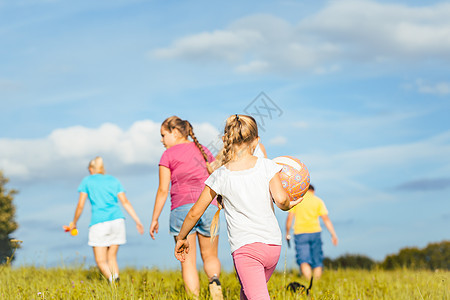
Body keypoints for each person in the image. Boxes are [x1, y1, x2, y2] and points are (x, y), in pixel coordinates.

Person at [174, 114, 303, 300]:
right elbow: (281, 200)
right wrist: (290, 204)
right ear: (256, 141)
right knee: (247, 292)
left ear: (226, 139)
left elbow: (195, 212)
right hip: (273, 245)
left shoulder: (220, 176)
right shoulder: (268, 166)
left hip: (247, 249)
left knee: (256, 295)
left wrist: (181, 237)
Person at [149, 116, 223, 299]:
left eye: (163, 135)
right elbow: (217, 177)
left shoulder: (167, 155)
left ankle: (195, 297)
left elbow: (162, 190)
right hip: (208, 207)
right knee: (211, 257)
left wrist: (154, 218)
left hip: (181, 210)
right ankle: (214, 282)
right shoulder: (203, 149)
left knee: (188, 263)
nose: (161, 140)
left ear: (174, 132)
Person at [69, 156, 144, 283]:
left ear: (91, 169)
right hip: (117, 221)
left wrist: (74, 222)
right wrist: (137, 221)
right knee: (112, 257)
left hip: (99, 223)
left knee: (100, 260)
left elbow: (80, 205)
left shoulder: (87, 181)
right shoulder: (113, 180)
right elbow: (125, 201)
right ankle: (116, 283)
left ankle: (113, 280)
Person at [285, 184, 338, 280]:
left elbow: (290, 218)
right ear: (313, 191)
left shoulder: (297, 200)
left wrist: (287, 233)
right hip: (315, 232)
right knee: (317, 260)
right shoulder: (318, 201)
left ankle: (309, 282)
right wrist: (333, 234)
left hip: (300, 233)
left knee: (303, 260)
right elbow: (326, 219)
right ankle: (317, 283)